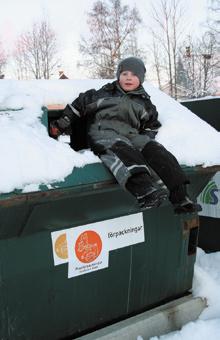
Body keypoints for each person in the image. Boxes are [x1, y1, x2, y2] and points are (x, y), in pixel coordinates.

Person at [50, 57, 201, 214]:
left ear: (141, 79)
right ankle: (145, 191)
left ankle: (181, 197)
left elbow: (151, 125)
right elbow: (78, 106)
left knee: (157, 150)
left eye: (134, 75)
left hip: (131, 135)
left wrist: (146, 142)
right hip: (103, 133)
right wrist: (61, 123)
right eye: (125, 73)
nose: (129, 77)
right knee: (123, 149)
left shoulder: (145, 103)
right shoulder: (102, 94)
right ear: (118, 75)